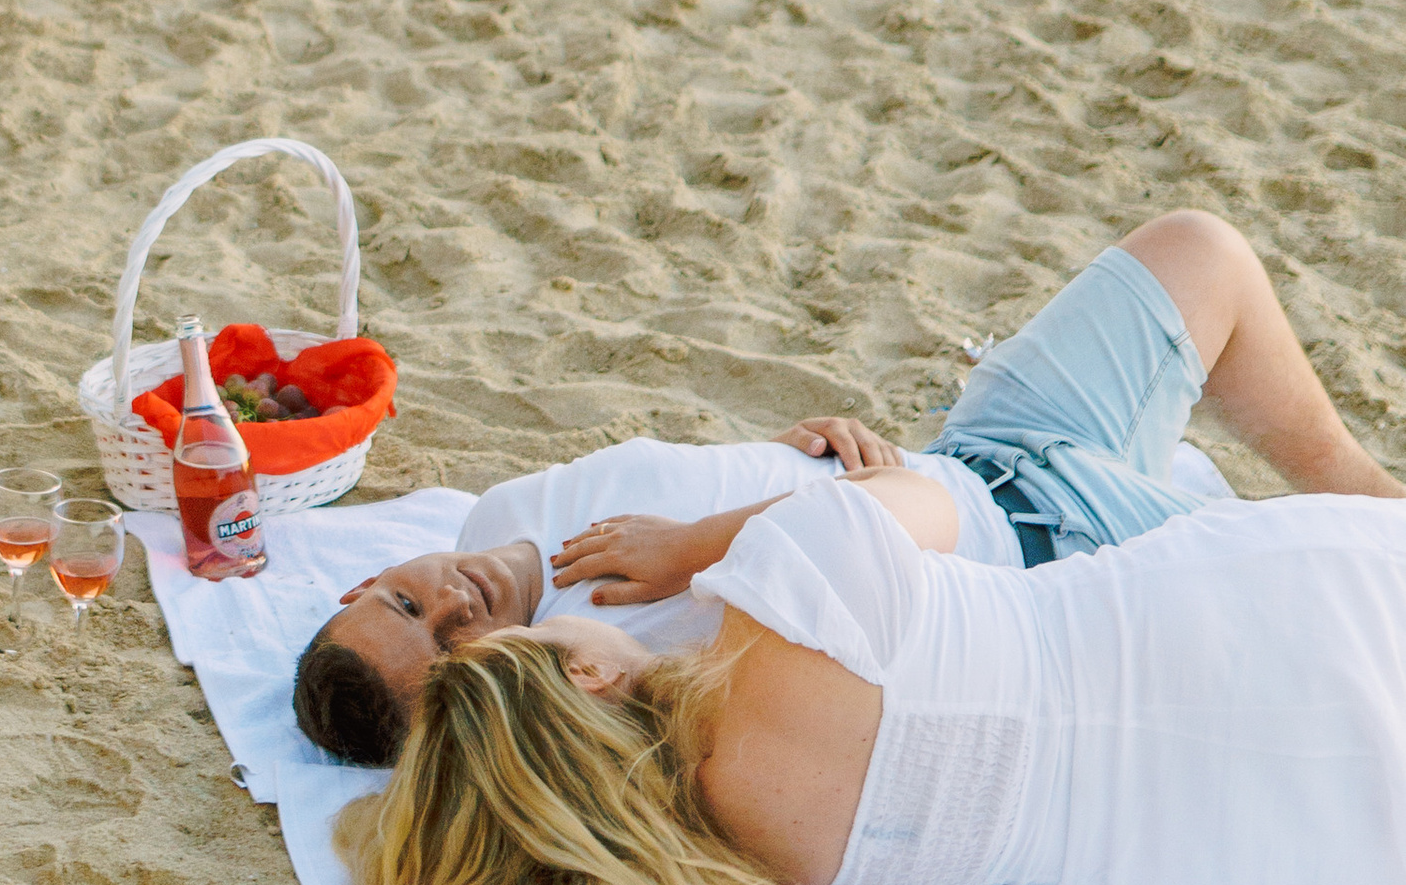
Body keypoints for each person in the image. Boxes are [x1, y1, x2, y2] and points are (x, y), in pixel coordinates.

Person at [333, 210, 1406, 885]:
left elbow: (605, 871)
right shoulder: (787, 588)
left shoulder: (735, 833)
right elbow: (928, 501)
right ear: (586, 681)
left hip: (1312, 854)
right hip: (1251, 610)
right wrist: (712, 546)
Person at [291, 211, 1399, 772]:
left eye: (407, 601)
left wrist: (785, 447)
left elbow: (691, 475)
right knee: (1349, 571)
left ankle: (1363, 488)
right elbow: (834, 573)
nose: (457, 604)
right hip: (1049, 545)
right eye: (452, 648)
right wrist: (703, 543)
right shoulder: (590, 676)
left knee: (1194, 250)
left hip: (994, 447)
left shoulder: (496, 517)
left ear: (374, 571)